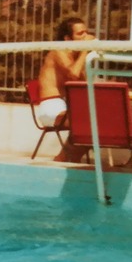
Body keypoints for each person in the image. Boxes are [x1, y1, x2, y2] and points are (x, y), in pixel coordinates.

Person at [35, 14, 95, 162]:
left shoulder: (76, 57)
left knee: (98, 124)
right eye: (80, 33)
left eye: (86, 32)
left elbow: (84, 86)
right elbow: (74, 75)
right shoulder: (58, 51)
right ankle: (62, 158)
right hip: (51, 109)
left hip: (65, 108)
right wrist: (85, 51)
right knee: (88, 125)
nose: (86, 36)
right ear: (68, 38)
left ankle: (68, 159)